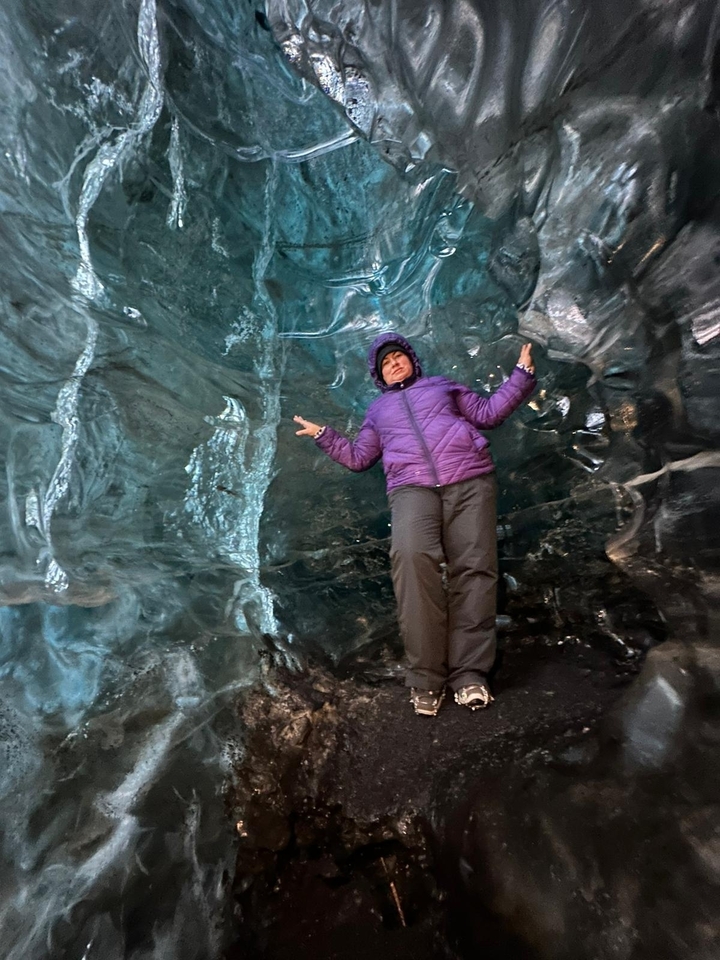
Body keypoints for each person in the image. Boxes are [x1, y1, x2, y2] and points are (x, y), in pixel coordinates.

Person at [294, 332, 536, 717]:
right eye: (385, 363)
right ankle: (426, 677)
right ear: (379, 375)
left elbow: (488, 414)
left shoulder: (442, 387)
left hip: (469, 480)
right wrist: (325, 436)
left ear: (412, 360)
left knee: (474, 570)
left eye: (398, 357)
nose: (393, 363)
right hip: (411, 489)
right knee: (410, 560)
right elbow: (360, 458)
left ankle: (470, 675)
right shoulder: (377, 412)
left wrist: (521, 376)